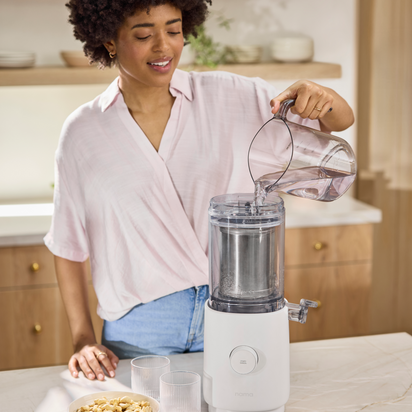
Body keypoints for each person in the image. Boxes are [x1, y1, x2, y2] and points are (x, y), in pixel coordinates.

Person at [45, 0, 354, 382]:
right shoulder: (83, 133)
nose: (164, 47)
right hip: (141, 329)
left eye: (174, 30)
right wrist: (82, 338)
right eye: (144, 34)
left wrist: (323, 98)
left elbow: (335, 123)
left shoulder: (232, 96)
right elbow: (68, 245)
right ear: (108, 39)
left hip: (237, 307)